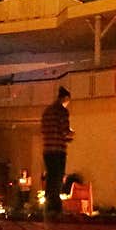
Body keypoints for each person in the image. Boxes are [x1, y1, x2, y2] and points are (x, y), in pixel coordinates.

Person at [41, 86, 74, 214]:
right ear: (65, 98)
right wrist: (71, 135)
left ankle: (48, 204)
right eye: (68, 101)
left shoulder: (47, 111)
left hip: (47, 149)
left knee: (50, 177)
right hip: (58, 149)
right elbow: (65, 131)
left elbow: (44, 130)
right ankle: (55, 206)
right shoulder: (62, 111)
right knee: (58, 177)